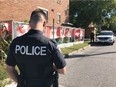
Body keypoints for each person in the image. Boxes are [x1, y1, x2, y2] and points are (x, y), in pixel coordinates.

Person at [5, 9, 66, 87]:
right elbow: (62, 70)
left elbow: (9, 68)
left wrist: (21, 82)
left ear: (30, 23)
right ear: (44, 23)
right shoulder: (50, 44)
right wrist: (52, 66)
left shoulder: (16, 43)